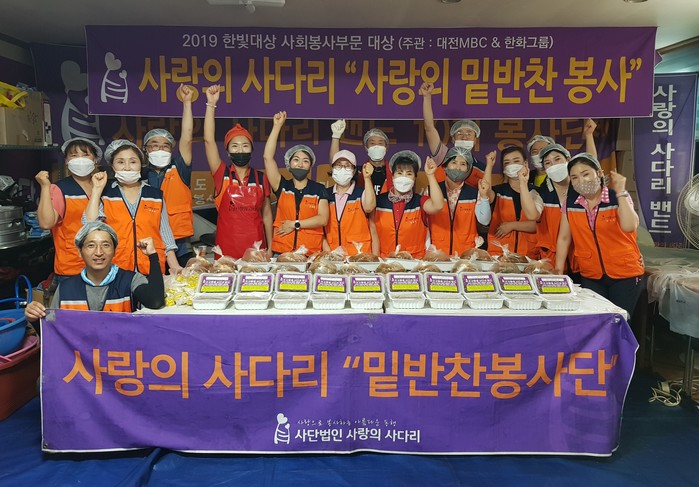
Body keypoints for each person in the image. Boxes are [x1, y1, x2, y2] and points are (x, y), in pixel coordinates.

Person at [555, 153, 645, 320]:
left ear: (599, 173)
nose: (581, 181)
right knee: (595, 321)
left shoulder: (617, 196)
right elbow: (564, 238)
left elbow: (630, 226)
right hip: (591, 274)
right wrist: (558, 271)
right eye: (574, 178)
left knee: (619, 321)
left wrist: (621, 192)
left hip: (625, 273)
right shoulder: (570, 203)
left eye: (585, 174)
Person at [24, 221, 164, 322]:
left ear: (114, 251)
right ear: (80, 252)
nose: (98, 252)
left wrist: (153, 256)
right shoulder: (66, 289)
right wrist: (35, 318)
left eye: (106, 245)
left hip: (119, 354)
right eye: (91, 245)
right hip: (81, 355)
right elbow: (52, 329)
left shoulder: (130, 280)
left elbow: (155, 301)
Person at [85, 140, 182, 275]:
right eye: (120, 162)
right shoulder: (105, 194)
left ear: (141, 165)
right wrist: (96, 189)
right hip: (116, 268)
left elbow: (165, 234)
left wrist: (175, 266)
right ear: (112, 166)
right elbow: (89, 223)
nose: (127, 167)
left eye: (133, 162)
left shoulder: (155, 195)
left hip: (151, 267)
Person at [204, 84, 273, 258]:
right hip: (226, 252)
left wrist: (271, 247)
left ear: (251, 150)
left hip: (257, 250)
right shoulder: (221, 174)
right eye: (234, 146)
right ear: (228, 152)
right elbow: (209, 140)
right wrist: (211, 104)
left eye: (245, 146)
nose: (240, 150)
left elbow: (266, 215)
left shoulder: (261, 178)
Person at [35, 137, 102, 284]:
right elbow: (46, 223)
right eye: (74, 155)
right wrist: (45, 187)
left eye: (86, 155)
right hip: (72, 267)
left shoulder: (103, 187)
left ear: (96, 160)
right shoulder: (60, 189)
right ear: (66, 161)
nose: (80, 159)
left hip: (103, 264)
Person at [263, 111, 329, 256]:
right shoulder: (282, 186)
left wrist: (295, 224)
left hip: (309, 254)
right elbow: (268, 158)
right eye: (296, 160)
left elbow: (323, 219)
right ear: (289, 164)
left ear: (310, 166)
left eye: (305, 161)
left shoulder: (319, 189)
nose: (300, 164)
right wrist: (277, 126)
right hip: (282, 253)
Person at [143, 84, 195, 267]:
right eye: (154, 145)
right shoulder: (138, 175)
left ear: (172, 150)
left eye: (165, 146)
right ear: (145, 149)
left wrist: (187, 103)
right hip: (148, 241)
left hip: (180, 243)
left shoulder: (179, 168)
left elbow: (187, 137)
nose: (160, 148)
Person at [371, 150, 444, 258]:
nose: (404, 177)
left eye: (409, 174)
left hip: (414, 262)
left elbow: (438, 206)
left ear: (415, 177)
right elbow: (373, 233)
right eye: (400, 173)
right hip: (385, 261)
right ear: (393, 176)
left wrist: (430, 175)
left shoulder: (420, 201)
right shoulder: (378, 201)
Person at [419, 82, 485, 188]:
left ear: (475, 140)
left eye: (469, 133)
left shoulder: (481, 168)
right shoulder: (442, 156)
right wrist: (427, 97)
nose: (464, 137)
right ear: (453, 139)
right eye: (459, 133)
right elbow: (429, 128)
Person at [428, 146, 492, 256]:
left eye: (463, 164)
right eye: (454, 162)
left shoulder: (473, 193)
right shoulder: (431, 191)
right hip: (437, 253)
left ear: (468, 170)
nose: (458, 167)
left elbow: (484, 221)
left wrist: (484, 197)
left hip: (466, 254)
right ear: (445, 166)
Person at [526, 143, 578, 272]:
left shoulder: (581, 190)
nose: (553, 165)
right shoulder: (540, 193)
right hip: (551, 262)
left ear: (568, 159)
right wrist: (522, 183)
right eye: (548, 163)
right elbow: (532, 215)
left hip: (581, 260)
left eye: (557, 159)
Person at [484, 146, 543, 257]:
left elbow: (539, 225)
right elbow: (485, 193)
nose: (512, 165)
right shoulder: (499, 191)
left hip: (528, 256)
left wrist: (512, 225)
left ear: (525, 163)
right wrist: (489, 166)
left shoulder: (536, 192)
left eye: (516, 161)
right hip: (499, 255)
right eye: (507, 163)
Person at [323, 149, 377, 255]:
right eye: (338, 165)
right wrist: (328, 252)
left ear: (354, 170)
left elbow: (369, 207)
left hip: (359, 256)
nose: (343, 169)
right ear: (332, 169)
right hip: (332, 255)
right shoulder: (325, 194)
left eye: (347, 166)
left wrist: (367, 178)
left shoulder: (361, 193)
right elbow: (320, 229)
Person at [526, 118, 598, 187]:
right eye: (534, 151)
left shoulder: (566, 172)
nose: (539, 154)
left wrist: (589, 135)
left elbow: (590, 162)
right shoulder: (528, 176)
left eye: (543, 150)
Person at [330, 119, 393, 195]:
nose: (376, 146)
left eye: (380, 143)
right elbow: (336, 162)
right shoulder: (358, 172)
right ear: (366, 147)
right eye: (372, 143)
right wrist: (336, 137)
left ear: (386, 147)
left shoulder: (394, 171)